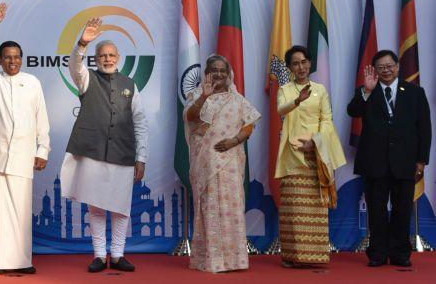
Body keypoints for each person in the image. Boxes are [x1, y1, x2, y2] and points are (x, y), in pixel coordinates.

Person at [60, 17, 149, 273]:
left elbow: (140, 122)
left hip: (123, 153)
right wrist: (82, 43)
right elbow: (75, 66)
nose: (107, 59)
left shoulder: (130, 85)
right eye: (102, 56)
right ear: (96, 59)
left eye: (111, 55)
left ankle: (118, 255)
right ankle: (99, 255)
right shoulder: (87, 79)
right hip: (92, 152)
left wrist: (141, 157)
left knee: (121, 208)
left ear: (118, 58)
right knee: (96, 205)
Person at [0, 3, 51, 275]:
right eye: (7, 57)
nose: (12, 61)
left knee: (20, 212)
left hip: (23, 157)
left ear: (22, 58)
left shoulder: (32, 82)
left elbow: (42, 119)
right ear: (1, 60)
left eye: (17, 57)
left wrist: (43, 150)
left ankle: (22, 261)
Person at [347, 50, 431, 268]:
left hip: (405, 162)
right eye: (381, 67)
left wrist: (421, 160)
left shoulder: (415, 92)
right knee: (376, 210)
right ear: (375, 70)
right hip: (375, 162)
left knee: (403, 210)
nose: (386, 70)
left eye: (389, 66)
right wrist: (366, 90)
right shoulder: (367, 91)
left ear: (397, 66)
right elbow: (352, 111)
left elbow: (424, 129)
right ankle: (378, 254)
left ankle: (400, 253)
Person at [184, 54, 260, 273]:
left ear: (229, 74)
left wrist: (234, 140)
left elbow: (250, 124)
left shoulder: (237, 99)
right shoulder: (198, 94)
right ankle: (210, 259)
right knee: (209, 207)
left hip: (231, 161)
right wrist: (203, 98)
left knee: (232, 208)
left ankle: (235, 260)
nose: (218, 73)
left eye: (222, 70)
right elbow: (190, 118)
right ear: (207, 73)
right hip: (206, 162)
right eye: (214, 70)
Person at [275, 45, 346, 268]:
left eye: (304, 62)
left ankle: (314, 257)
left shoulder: (320, 89)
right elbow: (281, 110)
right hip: (293, 153)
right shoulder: (285, 89)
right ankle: (292, 256)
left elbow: (327, 119)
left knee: (316, 207)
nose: (301, 67)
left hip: (316, 152)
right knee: (294, 209)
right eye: (295, 63)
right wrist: (297, 100)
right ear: (289, 67)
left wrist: (314, 141)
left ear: (310, 63)